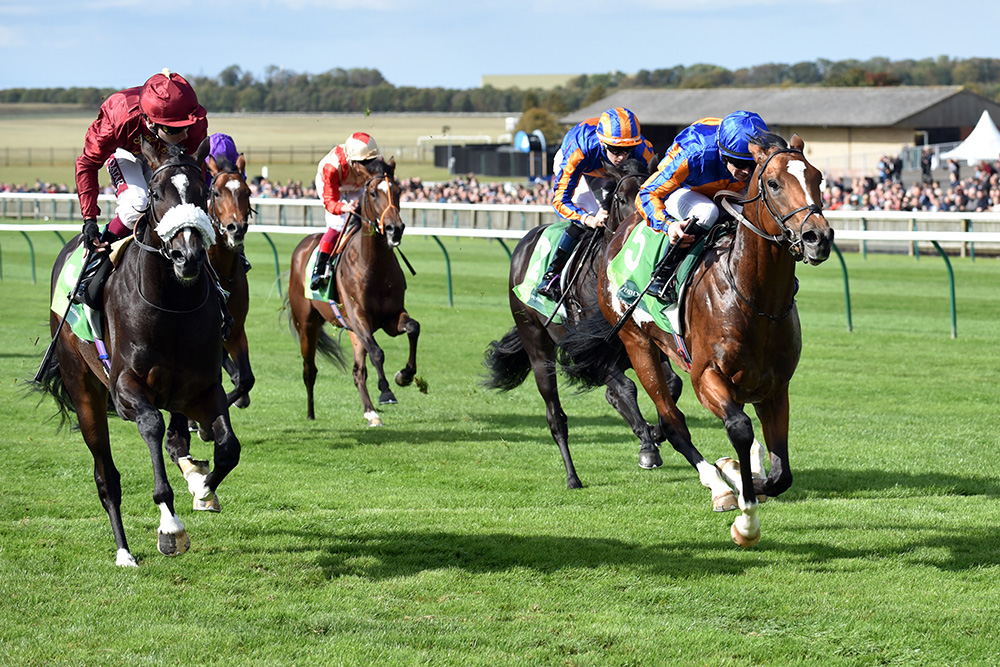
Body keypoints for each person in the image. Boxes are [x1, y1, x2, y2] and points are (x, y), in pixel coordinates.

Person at [74, 69, 209, 309]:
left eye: (187, 126)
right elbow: (87, 163)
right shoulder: (119, 117)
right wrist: (89, 220)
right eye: (175, 129)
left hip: (166, 158)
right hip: (126, 154)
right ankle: (95, 263)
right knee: (136, 204)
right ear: (149, 121)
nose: (186, 134)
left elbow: (197, 172)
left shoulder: (192, 123)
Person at [636, 110, 770, 300]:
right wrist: (669, 225)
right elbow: (646, 193)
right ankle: (663, 274)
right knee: (707, 211)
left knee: (755, 217)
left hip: (725, 192)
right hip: (684, 191)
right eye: (740, 163)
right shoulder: (693, 154)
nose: (747, 172)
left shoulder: (760, 151)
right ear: (723, 154)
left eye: (753, 164)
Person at [535, 107, 655, 301]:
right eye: (616, 150)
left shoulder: (643, 150)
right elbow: (559, 200)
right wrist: (587, 219)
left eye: (627, 150)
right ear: (602, 141)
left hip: (608, 172)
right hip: (583, 168)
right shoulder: (580, 151)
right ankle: (551, 275)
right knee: (591, 211)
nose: (622, 157)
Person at [310, 132, 382, 291]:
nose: (371, 167)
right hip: (334, 186)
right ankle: (319, 269)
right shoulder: (332, 168)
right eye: (366, 163)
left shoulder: (377, 162)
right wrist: (345, 207)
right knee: (338, 223)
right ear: (354, 163)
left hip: (357, 185)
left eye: (372, 161)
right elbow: (330, 202)